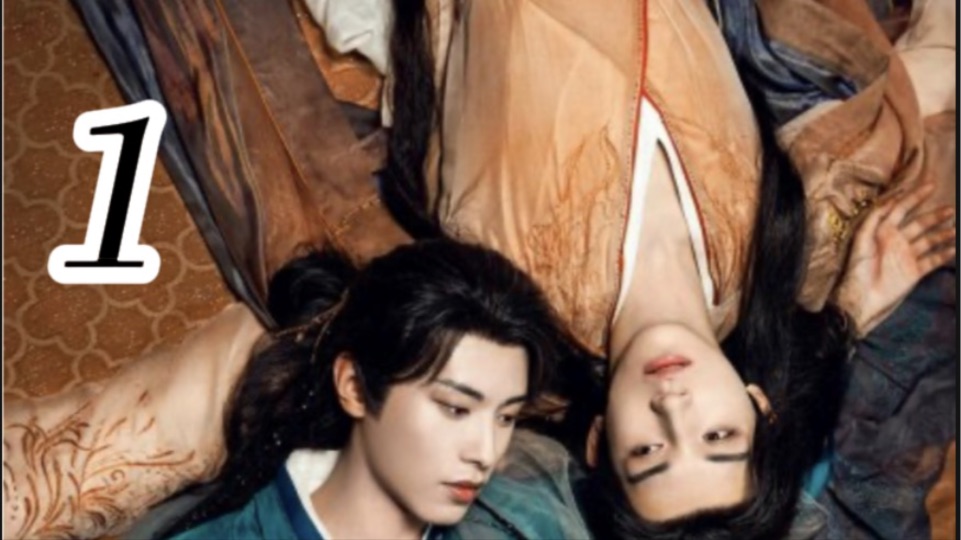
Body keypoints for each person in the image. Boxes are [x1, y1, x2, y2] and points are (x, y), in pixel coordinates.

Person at [162, 239, 594, 539]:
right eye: (455, 408)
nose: (486, 453)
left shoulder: (528, 525)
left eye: (506, 417)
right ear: (353, 386)